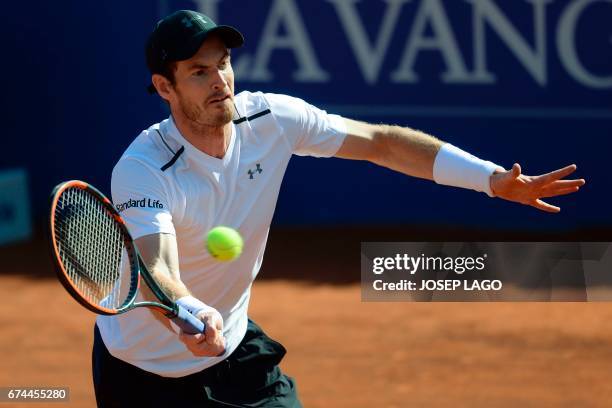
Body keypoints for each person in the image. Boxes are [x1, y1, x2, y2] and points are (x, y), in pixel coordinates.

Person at [92, 9, 585, 407]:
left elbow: (382, 143)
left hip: (234, 350)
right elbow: (155, 266)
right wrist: (191, 313)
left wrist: (490, 180)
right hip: (140, 377)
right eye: (198, 72)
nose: (219, 79)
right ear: (164, 88)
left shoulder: (271, 118)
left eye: (222, 62)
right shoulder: (143, 168)